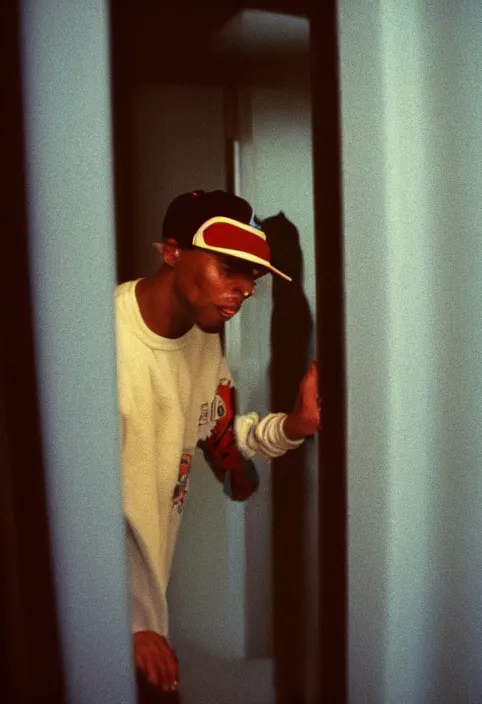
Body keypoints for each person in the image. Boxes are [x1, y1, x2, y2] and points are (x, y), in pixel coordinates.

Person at [115, 189, 320, 702]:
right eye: (229, 266)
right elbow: (67, 502)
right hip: (99, 617)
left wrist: (294, 424)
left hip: (144, 618)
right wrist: (130, 618)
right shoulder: (101, 339)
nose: (243, 289)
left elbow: (225, 434)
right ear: (172, 251)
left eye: (252, 276)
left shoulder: (203, 338)